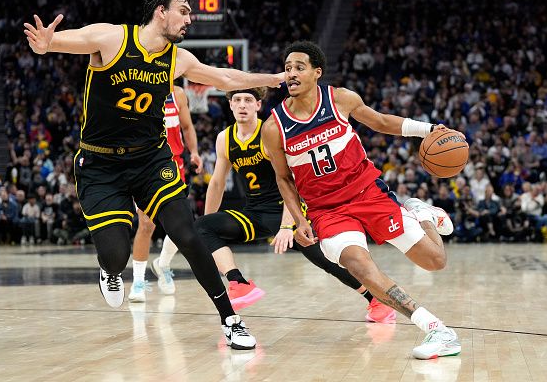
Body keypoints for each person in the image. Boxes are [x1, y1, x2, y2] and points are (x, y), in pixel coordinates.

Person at [24, 0, 283, 350]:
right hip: (100, 164)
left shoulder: (178, 59)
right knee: (116, 255)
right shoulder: (112, 38)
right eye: (184, 10)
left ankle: (231, 319)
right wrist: (48, 43)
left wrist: (272, 80)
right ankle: (111, 271)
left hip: (150, 160)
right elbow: (72, 40)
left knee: (188, 234)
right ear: (161, 11)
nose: (189, 19)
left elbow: (227, 78)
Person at [261, 41, 461, 360]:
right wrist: (299, 221)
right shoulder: (274, 127)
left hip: (367, 192)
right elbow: (283, 178)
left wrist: (428, 130)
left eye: (299, 67)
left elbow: (381, 122)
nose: (291, 74)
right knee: (361, 268)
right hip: (327, 211)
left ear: (317, 72)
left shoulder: (340, 99)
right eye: (287, 68)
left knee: (435, 261)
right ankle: (437, 329)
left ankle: (424, 213)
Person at [152, 87, 396, 322]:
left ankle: (376, 300)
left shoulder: (270, 132)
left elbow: (290, 181)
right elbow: (216, 183)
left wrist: (286, 227)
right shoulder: (224, 138)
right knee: (202, 226)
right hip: (255, 213)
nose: (242, 105)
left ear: (258, 105)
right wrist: (208, 228)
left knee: (327, 261)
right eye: (237, 101)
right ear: (230, 105)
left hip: (288, 210)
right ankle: (239, 283)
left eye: (248, 100)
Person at [128, 83, 203, 302]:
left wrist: (195, 152)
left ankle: (163, 264)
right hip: (145, 165)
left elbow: (187, 127)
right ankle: (138, 282)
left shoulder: (178, 94)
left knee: (179, 224)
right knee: (147, 223)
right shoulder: (136, 90)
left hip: (174, 164)